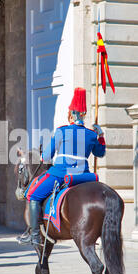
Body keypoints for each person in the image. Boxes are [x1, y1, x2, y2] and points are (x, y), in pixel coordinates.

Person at [22, 87, 106, 246]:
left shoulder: (61, 131)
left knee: (33, 195)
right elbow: (100, 153)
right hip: (84, 177)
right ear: (83, 115)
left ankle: (33, 235)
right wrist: (100, 136)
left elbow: (46, 156)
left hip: (60, 173)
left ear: (71, 114)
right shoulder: (91, 135)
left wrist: (43, 156)